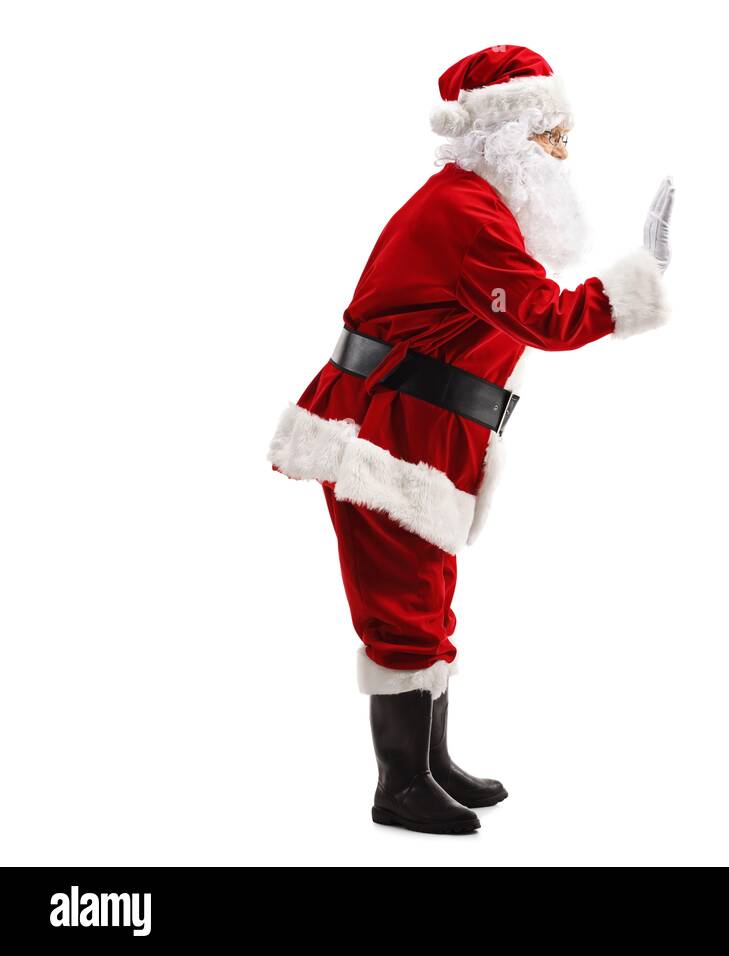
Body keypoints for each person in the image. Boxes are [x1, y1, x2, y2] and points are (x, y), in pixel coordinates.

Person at [266, 45, 674, 834]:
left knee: (428, 600)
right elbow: (547, 320)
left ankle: (430, 764)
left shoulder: (478, 205)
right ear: (508, 135)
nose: (563, 154)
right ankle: (399, 788)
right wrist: (639, 278)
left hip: (420, 432)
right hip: (382, 435)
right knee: (403, 608)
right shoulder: (465, 215)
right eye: (553, 137)